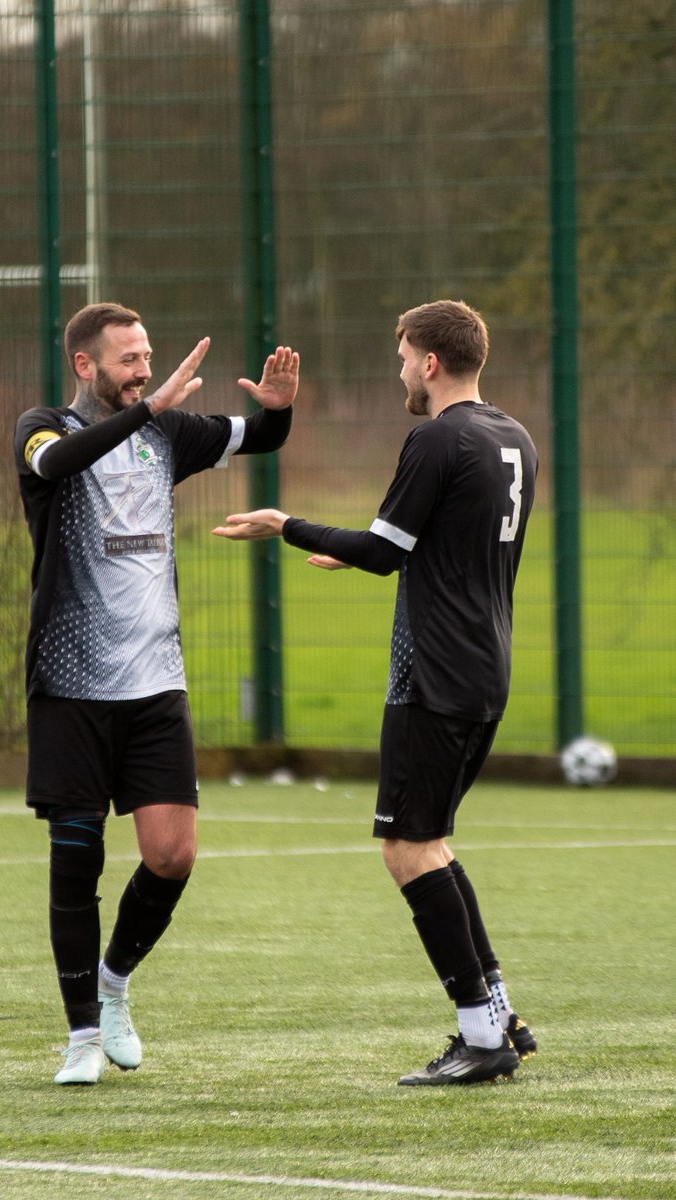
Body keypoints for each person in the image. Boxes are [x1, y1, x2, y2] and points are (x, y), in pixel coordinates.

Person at [213, 299, 538, 1086]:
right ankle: (495, 1016)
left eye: (401, 356)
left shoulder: (434, 434)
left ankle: (480, 1036)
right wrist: (356, 551)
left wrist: (285, 524)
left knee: (407, 847)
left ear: (429, 361)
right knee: (430, 842)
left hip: (433, 671)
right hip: (485, 663)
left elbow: (385, 550)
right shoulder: (512, 435)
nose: (398, 370)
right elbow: (426, 542)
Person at [14, 302, 299, 1084]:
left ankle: (112, 988)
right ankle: (78, 1038)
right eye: (128, 359)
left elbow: (260, 438)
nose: (144, 368)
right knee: (75, 859)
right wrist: (150, 406)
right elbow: (52, 466)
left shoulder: (165, 433)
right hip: (70, 688)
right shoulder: (43, 427)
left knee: (172, 856)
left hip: (154, 687)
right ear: (86, 365)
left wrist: (277, 410)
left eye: (148, 355)